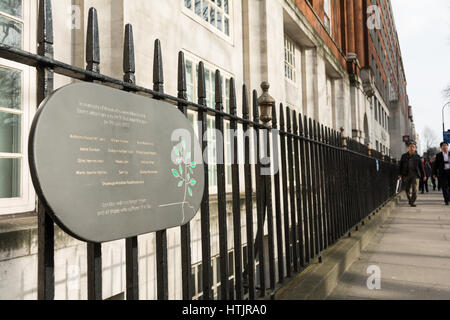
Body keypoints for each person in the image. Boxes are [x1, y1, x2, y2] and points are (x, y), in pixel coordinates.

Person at [398, 141, 425, 207]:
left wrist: (424, 175)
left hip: (415, 175)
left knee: (415, 189)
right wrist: (399, 174)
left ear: (415, 148)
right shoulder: (404, 156)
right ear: (408, 148)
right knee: (407, 189)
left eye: (413, 147)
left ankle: (412, 201)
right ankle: (410, 200)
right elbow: (400, 166)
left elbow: (421, 167)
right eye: (410, 147)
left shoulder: (418, 157)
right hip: (406, 174)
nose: (412, 148)